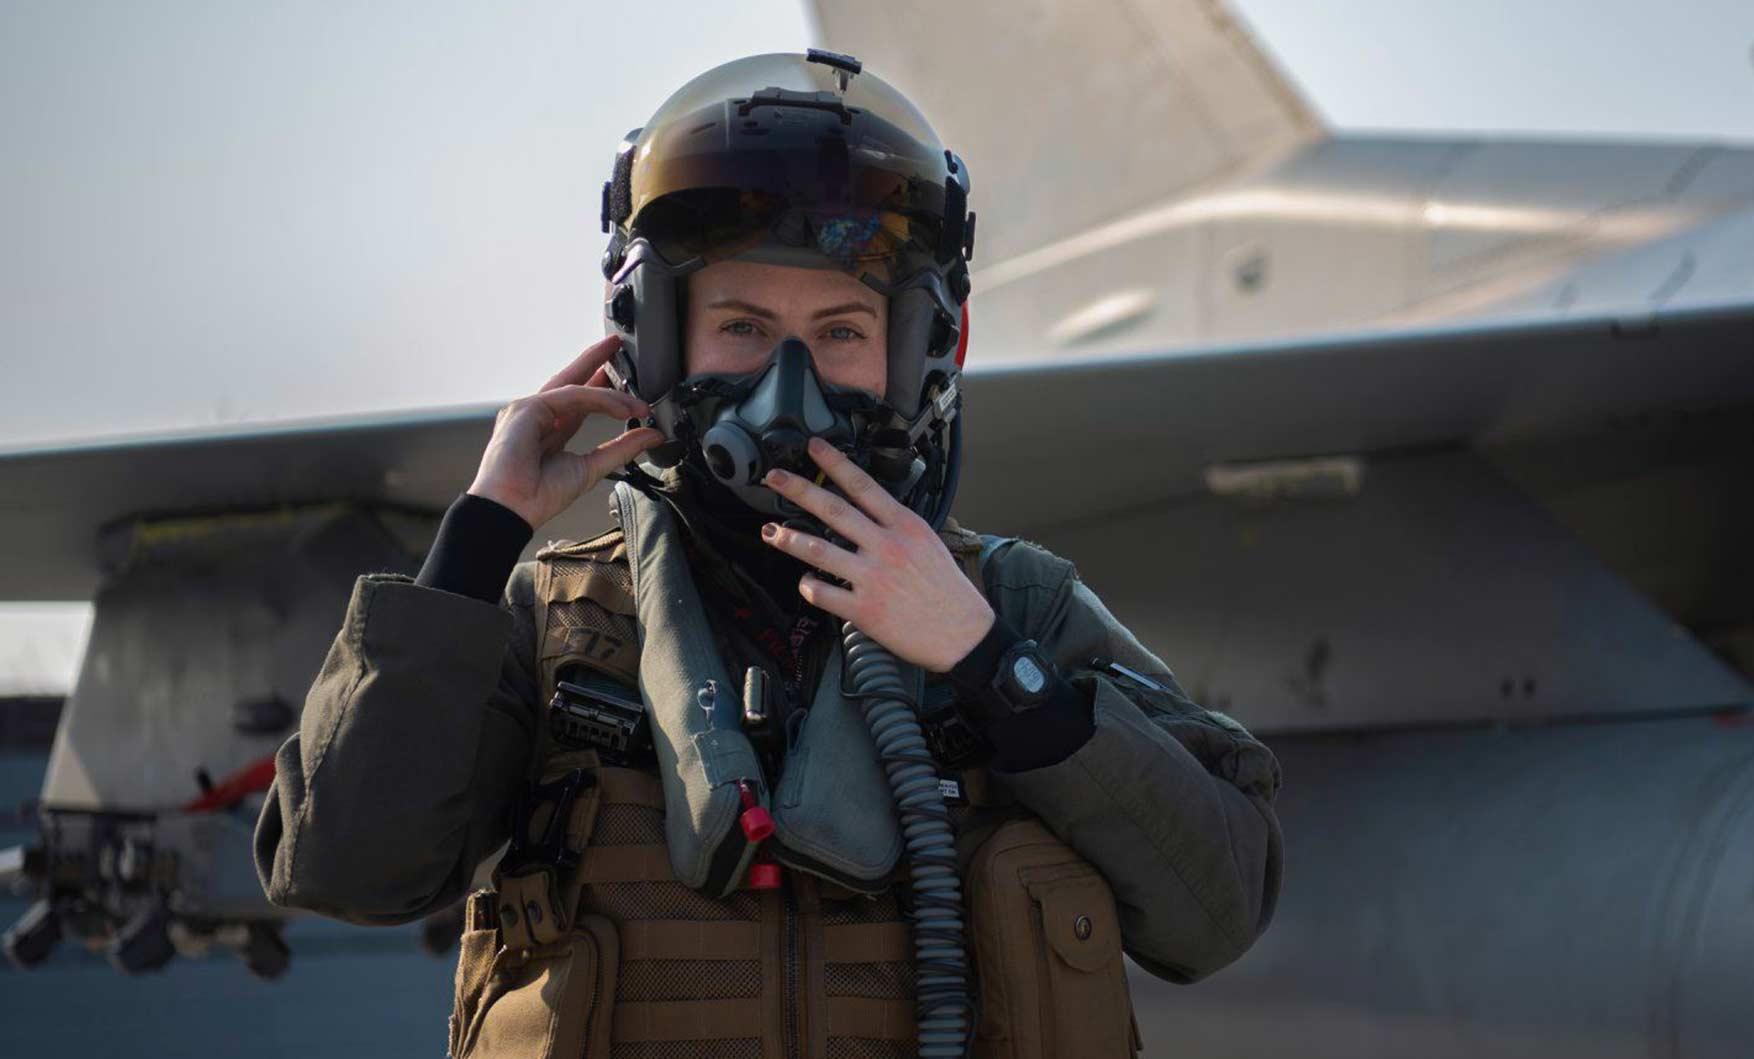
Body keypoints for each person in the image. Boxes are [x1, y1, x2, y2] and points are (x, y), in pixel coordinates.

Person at [254, 52, 1281, 1059]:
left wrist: (985, 661)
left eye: (840, 332)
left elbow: (1216, 909)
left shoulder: (1015, 606)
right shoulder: (555, 619)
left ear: (914, 351)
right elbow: (349, 868)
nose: (787, 385)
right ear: (654, 340)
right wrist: (479, 540)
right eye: (741, 326)